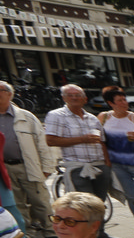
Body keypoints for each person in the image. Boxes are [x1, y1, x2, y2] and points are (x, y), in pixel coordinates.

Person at [44, 85, 112, 228]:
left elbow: (102, 141)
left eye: (78, 95)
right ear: (63, 98)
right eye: (70, 95)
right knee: (84, 204)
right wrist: (82, 139)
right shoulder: (56, 115)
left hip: (99, 165)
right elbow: (51, 140)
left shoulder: (92, 118)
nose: (74, 98)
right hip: (77, 167)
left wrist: (107, 163)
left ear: (84, 99)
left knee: (99, 203)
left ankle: (100, 232)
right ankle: (86, 234)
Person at [0, 81, 58, 238]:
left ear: (9, 94)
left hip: (27, 165)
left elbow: (42, 143)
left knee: (40, 201)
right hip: (5, 168)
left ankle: (50, 230)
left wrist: (47, 167)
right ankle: (27, 233)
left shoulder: (26, 116)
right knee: (17, 203)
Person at [97, 86, 134, 230]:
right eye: (120, 100)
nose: (124, 103)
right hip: (117, 165)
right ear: (110, 103)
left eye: (125, 99)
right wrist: (106, 160)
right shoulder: (103, 117)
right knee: (131, 196)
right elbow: (100, 141)